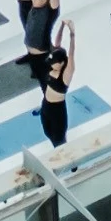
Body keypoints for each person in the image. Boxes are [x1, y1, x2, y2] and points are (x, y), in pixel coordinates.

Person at [24, 0, 62, 88]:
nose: (33, 0)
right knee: (37, 76)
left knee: (45, 85)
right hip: (31, 52)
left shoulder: (50, 10)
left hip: (42, 55)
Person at [38, 18, 75, 149]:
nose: (51, 65)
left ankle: (69, 160)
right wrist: (62, 25)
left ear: (62, 63)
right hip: (46, 105)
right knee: (48, 134)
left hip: (57, 111)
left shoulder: (66, 74)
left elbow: (71, 54)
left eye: (54, 63)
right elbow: (57, 44)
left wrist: (72, 34)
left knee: (59, 142)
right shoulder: (55, 65)